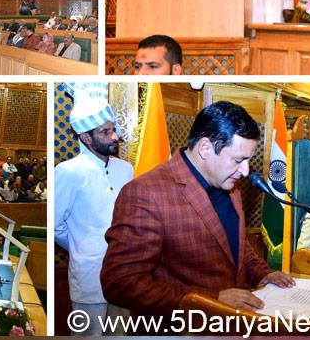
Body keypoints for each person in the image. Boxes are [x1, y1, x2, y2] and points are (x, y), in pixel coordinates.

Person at [101, 101, 295, 319]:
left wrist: (262, 275)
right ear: (205, 148)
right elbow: (121, 284)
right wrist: (211, 299)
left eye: (248, 161)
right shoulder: (146, 193)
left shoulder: (229, 181)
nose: (245, 171)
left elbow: (234, 246)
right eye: (239, 160)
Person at [54, 84, 134, 336]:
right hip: (90, 277)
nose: (114, 137)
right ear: (86, 138)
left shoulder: (126, 169)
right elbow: (56, 226)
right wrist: (85, 245)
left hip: (125, 275)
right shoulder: (68, 171)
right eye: (105, 132)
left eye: (113, 130)